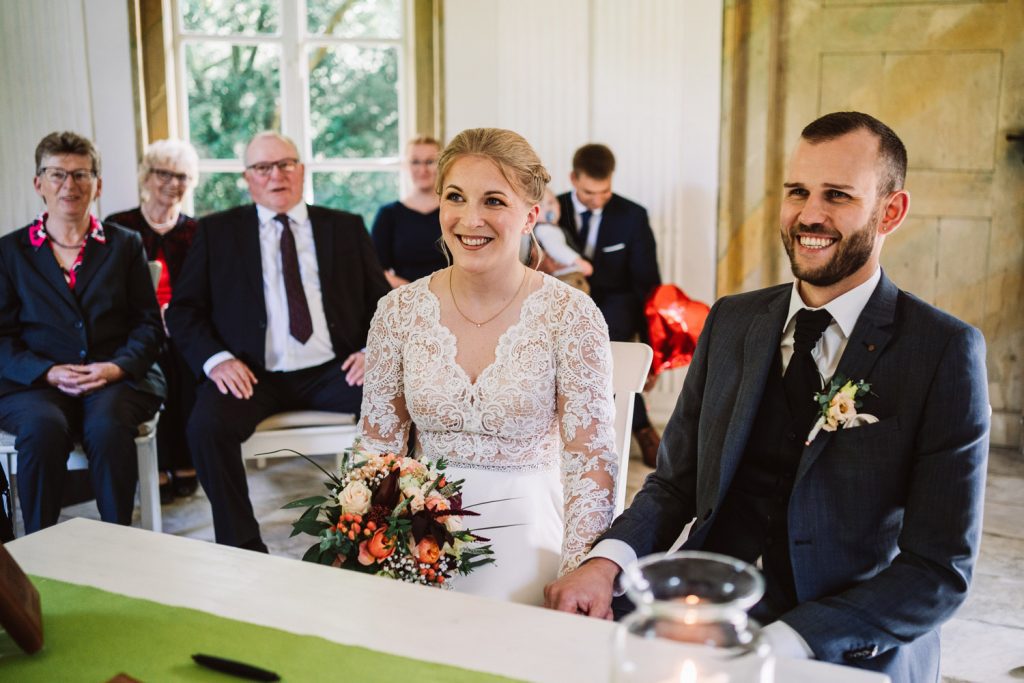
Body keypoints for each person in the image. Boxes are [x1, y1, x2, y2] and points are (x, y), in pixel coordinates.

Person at [544, 112, 990, 683]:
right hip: (702, 608)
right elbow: (674, 485)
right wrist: (605, 562)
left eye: (837, 196)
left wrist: (787, 642)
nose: (809, 215)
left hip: (845, 635)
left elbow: (938, 570)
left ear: (891, 212)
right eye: (798, 192)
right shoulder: (733, 320)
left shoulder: (943, 351)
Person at [359, 128, 618, 605]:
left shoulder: (572, 315)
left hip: (531, 532)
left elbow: (591, 462)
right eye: (455, 197)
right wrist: (368, 540)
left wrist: (581, 569)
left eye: (494, 201)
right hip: (419, 536)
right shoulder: (398, 311)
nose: (470, 218)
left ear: (530, 217)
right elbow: (378, 448)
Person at [166, 131, 390, 552]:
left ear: (301, 170)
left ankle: (376, 532)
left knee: (398, 401)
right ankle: (244, 545)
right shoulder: (217, 232)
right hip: (253, 374)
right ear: (248, 178)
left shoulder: (345, 227)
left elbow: (383, 304)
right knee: (206, 427)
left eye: (286, 164)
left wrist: (370, 350)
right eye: (263, 168)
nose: (276, 176)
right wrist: (217, 360)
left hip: (334, 369)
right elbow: (183, 310)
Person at [0, 131, 166, 534]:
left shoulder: (125, 245)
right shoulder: (9, 252)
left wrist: (114, 368)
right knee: (42, 429)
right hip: (34, 383)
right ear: (39, 183)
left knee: (107, 427)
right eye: (57, 174)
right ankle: (40, 551)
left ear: (98, 184)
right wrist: (48, 372)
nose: (68, 186)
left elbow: (148, 324)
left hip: (115, 379)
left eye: (80, 175)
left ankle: (116, 542)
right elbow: (1, 337)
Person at [106, 139, 201, 503]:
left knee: (187, 364)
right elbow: (110, 288)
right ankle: (157, 464)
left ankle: (185, 459)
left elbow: (203, 289)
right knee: (151, 364)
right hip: (136, 325)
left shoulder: (197, 231)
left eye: (181, 176)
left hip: (183, 325)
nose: (172, 183)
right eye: (163, 173)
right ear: (147, 177)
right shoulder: (120, 227)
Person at [556, 145, 662, 467]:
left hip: (617, 302)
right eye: (589, 192)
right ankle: (637, 429)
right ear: (574, 178)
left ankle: (638, 428)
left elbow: (647, 284)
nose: (598, 199)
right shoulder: (551, 208)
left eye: (604, 191)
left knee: (602, 343)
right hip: (564, 299)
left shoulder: (633, 216)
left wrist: (651, 343)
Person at [370, 135, 447, 288]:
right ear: (406, 165)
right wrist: (414, 293)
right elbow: (375, 269)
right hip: (404, 301)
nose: (423, 169)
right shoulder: (388, 215)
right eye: (415, 162)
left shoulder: (453, 211)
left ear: (442, 164)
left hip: (452, 298)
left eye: (430, 161)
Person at [534, 188, 591, 293]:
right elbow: (556, 249)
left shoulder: (552, 228)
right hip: (565, 277)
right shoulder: (544, 229)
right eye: (541, 206)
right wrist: (578, 261)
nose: (548, 208)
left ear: (559, 205)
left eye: (551, 202)